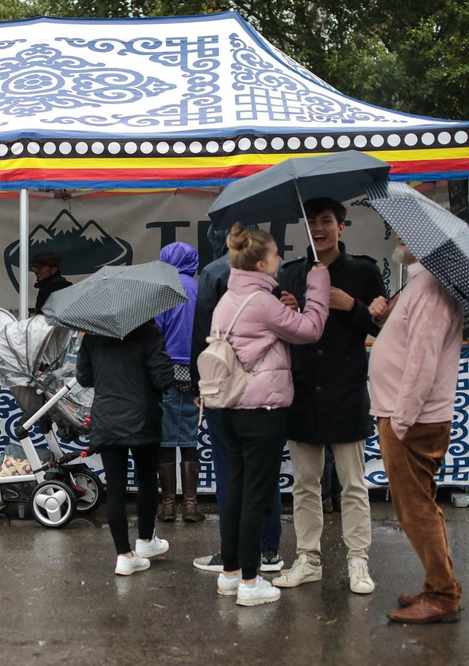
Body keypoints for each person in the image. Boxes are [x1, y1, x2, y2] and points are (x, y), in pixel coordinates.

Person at [208, 223, 329, 607]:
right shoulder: (262, 302)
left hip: (229, 408)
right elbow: (310, 329)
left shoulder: (230, 298)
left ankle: (230, 574)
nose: (280, 259)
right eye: (276, 254)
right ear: (261, 262)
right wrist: (319, 283)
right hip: (261, 410)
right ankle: (249, 580)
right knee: (257, 495)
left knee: (238, 493)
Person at [273, 197, 387, 595]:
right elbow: (278, 333)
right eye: (311, 221)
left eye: (326, 221)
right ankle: (308, 557)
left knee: (353, 484)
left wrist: (352, 305)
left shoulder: (363, 271)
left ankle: (358, 560)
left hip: (345, 390)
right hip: (301, 392)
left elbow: (382, 328)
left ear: (342, 227)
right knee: (305, 484)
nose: (318, 228)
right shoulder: (290, 274)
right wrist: (286, 310)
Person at [368, 238, 464, 624]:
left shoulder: (430, 289)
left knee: (416, 510)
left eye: (405, 235)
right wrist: (383, 318)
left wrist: (400, 422)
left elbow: (422, 363)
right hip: (407, 416)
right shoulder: (421, 283)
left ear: (426, 243)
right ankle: (440, 586)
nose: (396, 240)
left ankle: (442, 596)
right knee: (420, 506)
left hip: (411, 420)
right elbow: (412, 342)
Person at [191, 228, 285, 574]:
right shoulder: (273, 273)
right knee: (265, 475)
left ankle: (232, 560)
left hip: (226, 392)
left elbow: (203, 337)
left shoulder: (215, 275)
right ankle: (269, 549)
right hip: (268, 392)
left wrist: (200, 387)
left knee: (230, 475)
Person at [76, 320, 174, 576]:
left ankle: (124, 556)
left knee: (116, 488)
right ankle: (145, 541)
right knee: (147, 479)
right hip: (142, 418)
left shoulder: (93, 334)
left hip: (107, 419)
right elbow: (163, 379)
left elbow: (84, 378)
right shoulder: (148, 331)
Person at [154, 242, 204, 523]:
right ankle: (191, 505)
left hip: (166, 369)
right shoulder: (201, 289)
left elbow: (155, 332)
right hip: (198, 370)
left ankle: (168, 505)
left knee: (164, 437)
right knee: (189, 437)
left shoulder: (163, 290)